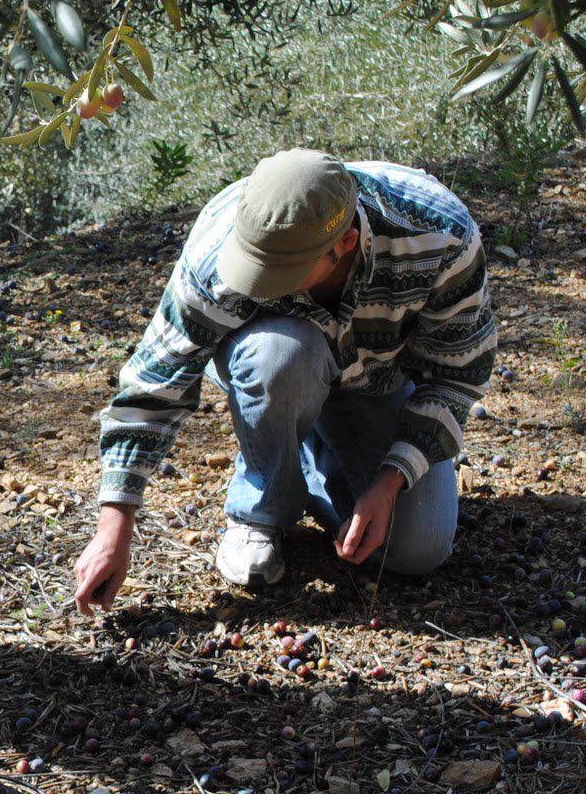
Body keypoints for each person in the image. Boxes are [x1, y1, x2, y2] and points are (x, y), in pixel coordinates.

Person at [75, 149, 497, 611]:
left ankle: (315, 463)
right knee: (278, 359)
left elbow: (456, 378)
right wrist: (114, 527)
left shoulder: (440, 239)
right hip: (278, 366)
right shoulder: (217, 246)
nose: (262, 282)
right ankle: (263, 508)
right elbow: (154, 384)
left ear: (345, 243)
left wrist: (391, 479)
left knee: (417, 551)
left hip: (378, 382)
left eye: (282, 273)